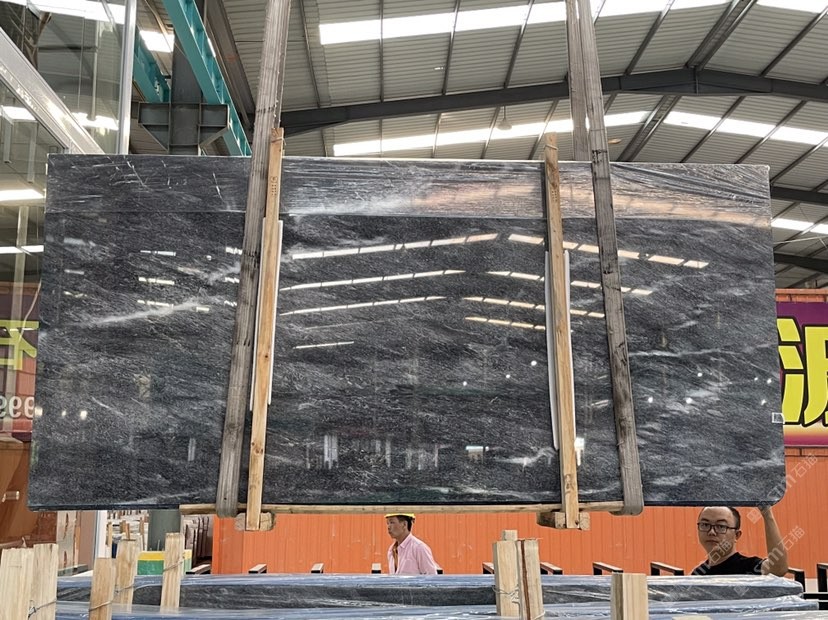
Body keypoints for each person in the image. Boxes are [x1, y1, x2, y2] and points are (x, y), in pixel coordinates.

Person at [692, 506, 788, 576]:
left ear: (737, 535)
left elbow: (778, 569)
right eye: (705, 525)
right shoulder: (698, 574)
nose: (711, 532)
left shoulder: (750, 567)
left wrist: (767, 514)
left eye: (721, 526)